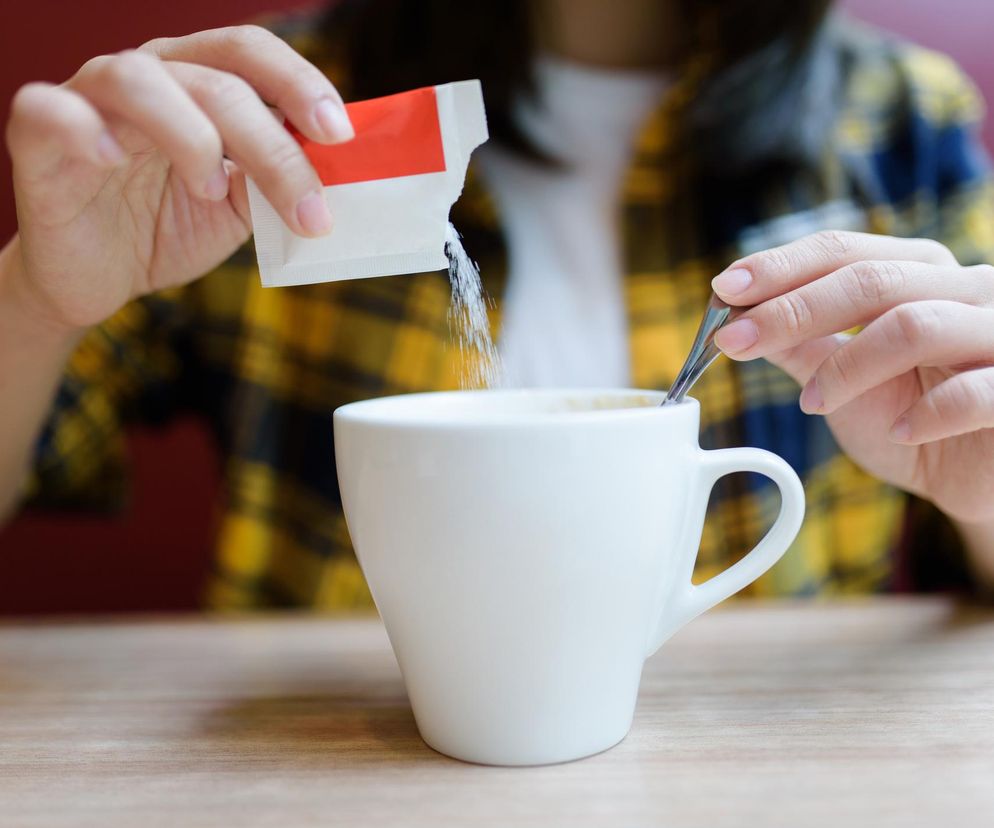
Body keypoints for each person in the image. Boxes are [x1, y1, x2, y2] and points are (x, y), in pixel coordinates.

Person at [1, 0, 992, 609]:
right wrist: (39, 295)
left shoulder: (902, 116)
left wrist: (977, 488)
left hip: (763, 765)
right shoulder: (255, 128)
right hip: (322, 757)